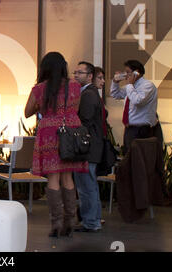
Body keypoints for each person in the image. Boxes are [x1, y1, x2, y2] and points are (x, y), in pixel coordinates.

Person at [24, 52, 88, 238]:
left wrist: (41, 106)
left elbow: (27, 112)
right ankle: (70, 222)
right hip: (71, 133)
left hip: (50, 133)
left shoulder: (40, 89)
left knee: (53, 179)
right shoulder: (75, 86)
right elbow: (74, 109)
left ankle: (56, 224)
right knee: (68, 178)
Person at [73, 61, 104, 232]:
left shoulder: (88, 94)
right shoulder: (90, 93)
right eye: (75, 72)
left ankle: (91, 222)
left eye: (80, 72)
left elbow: (83, 121)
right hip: (91, 147)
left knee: (86, 186)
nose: (76, 75)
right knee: (89, 185)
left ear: (89, 76)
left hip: (87, 148)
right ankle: (93, 220)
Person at [110, 60, 158, 154]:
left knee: (139, 159)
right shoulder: (131, 86)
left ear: (137, 73)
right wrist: (115, 82)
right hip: (130, 128)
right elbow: (115, 94)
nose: (126, 75)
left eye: (128, 72)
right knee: (128, 158)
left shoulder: (148, 86)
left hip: (142, 129)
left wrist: (129, 84)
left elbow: (137, 101)